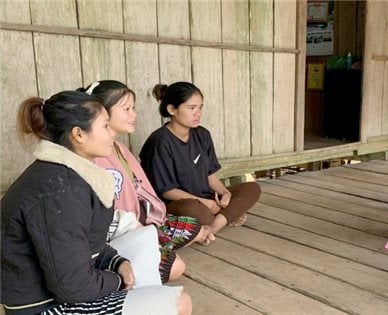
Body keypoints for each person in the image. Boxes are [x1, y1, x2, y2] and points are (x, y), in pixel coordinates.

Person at [1, 91, 191, 314]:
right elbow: (72, 287)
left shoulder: (64, 174)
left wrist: (116, 261)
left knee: (159, 265)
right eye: (105, 126)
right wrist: (117, 280)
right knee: (179, 303)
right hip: (45, 307)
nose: (112, 134)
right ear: (79, 135)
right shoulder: (60, 189)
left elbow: (82, 244)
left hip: (61, 289)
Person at [86, 80, 214, 283]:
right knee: (176, 265)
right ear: (102, 113)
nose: (134, 114)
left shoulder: (118, 147)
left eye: (133, 108)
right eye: (126, 109)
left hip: (142, 222)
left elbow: (140, 189)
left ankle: (165, 239)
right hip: (115, 238)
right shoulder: (93, 154)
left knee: (194, 227)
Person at [139, 82, 261, 241]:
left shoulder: (202, 135)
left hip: (207, 199)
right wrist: (207, 204)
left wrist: (224, 193)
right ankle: (224, 217)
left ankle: (212, 227)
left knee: (252, 188)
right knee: (191, 209)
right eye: (191, 108)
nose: (198, 113)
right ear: (172, 110)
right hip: (176, 204)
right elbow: (167, 191)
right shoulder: (160, 142)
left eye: (200, 107)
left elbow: (209, 174)